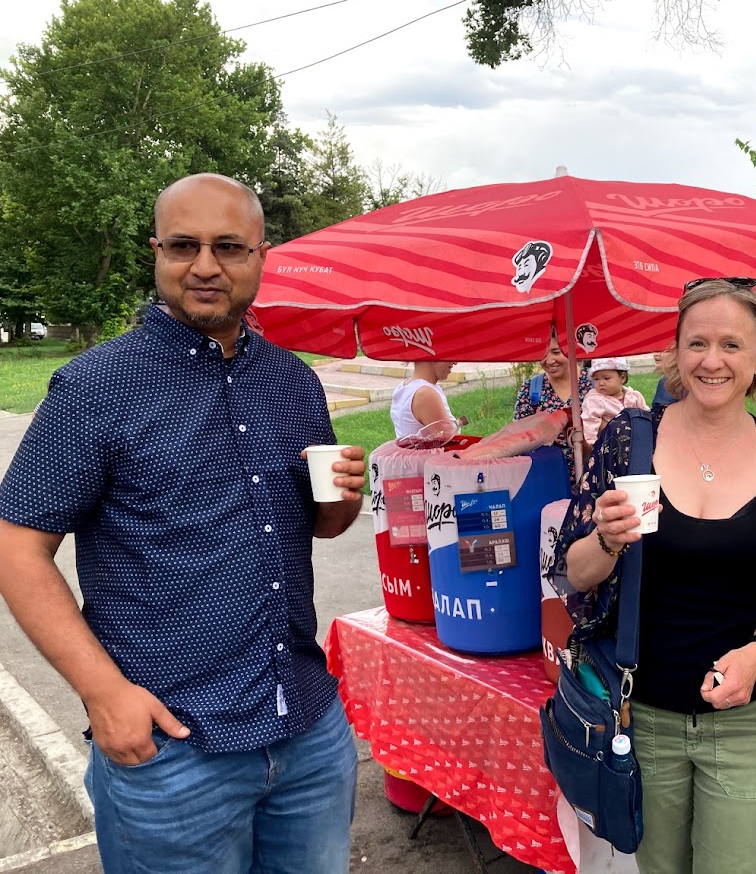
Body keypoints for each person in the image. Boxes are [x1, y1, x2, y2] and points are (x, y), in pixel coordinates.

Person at [0, 173, 366, 874]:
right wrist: (105, 695)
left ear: (262, 254)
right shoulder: (96, 387)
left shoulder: (294, 381)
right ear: (157, 252)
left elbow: (316, 527)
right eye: (183, 246)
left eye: (228, 246)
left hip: (309, 735)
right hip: (173, 752)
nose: (204, 266)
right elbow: (17, 546)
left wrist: (343, 498)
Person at [550, 277, 756, 874]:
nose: (713, 360)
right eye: (696, 343)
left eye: (732, 344)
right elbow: (572, 574)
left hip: (749, 720)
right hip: (642, 717)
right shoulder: (627, 441)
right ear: (674, 354)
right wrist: (607, 538)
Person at [513, 332, 592, 490]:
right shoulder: (531, 389)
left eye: (556, 352)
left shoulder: (595, 384)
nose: (549, 360)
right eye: (543, 353)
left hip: (591, 476)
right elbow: (519, 438)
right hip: (547, 479)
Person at [581, 357, 648, 446]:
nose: (601, 383)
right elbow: (590, 422)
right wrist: (592, 444)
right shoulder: (594, 400)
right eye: (596, 379)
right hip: (609, 445)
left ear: (622, 378)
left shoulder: (634, 396)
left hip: (637, 440)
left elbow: (646, 415)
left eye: (606, 378)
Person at [390, 360, 460, 438]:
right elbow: (448, 437)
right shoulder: (425, 394)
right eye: (449, 353)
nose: (455, 362)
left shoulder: (403, 387)